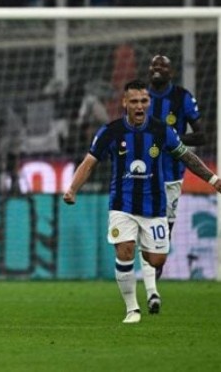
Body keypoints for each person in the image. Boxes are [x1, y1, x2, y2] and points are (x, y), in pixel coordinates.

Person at [63, 79, 221, 324]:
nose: (139, 106)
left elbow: (187, 157)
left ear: (148, 103)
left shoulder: (161, 131)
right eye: (134, 101)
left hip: (154, 207)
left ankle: (144, 257)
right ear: (125, 103)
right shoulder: (111, 131)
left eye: (143, 101)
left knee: (156, 259)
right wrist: (72, 189)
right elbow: (89, 163)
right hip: (122, 204)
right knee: (125, 250)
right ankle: (132, 309)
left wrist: (212, 178)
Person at [139, 54, 207, 314]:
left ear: (171, 72)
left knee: (161, 236)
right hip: (142, 174)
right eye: (153, 65)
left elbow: (201, 135)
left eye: (162, 66)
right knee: (139, 230)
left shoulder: (181, 97)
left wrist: (174, 139)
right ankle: (151, 292)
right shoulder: (140, 97)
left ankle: (153, 282)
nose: (156, 69)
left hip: (171, 176)